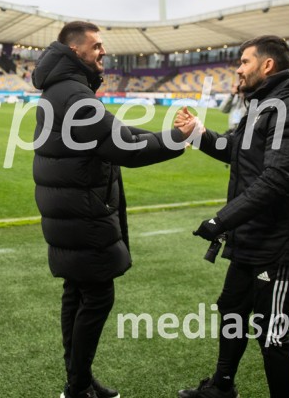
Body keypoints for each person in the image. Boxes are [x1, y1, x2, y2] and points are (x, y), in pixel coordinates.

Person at [32, 21, 187, 398]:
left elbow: (117, 132)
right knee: (97, 296)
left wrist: (164, 134)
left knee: (78, 292)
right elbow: (125, 147)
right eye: (96, 45)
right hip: (81, 213)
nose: (103, 51)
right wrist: (177, 140)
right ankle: (77, 387)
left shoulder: (63, 90)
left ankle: (78, 383)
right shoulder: (75, 96)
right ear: (74, 51)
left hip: (68, 210)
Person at [175, 35, 289, 398]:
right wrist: (199, 133)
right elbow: (239, 154)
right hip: (253, 235)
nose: (238, 69)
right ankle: (222, 387)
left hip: (281, 243)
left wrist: (221, 220)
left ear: (266, 65)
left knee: (272, 337)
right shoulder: (263, 105)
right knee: (232, 309)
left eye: (243, 62)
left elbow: (276, 179)